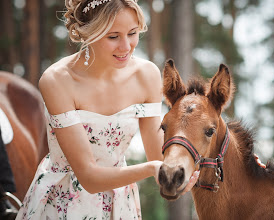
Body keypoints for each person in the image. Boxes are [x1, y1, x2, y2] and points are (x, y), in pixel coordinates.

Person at [16, 0, 199, 219]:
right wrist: (152, 169)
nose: (126, 46)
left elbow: (156, 152)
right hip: (62, 203)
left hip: (119, 203)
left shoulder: (147, 75)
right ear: (88, 33)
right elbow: (89, 178)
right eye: (113, 37)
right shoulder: (57, 81)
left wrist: (181, 171)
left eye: (132, 33)